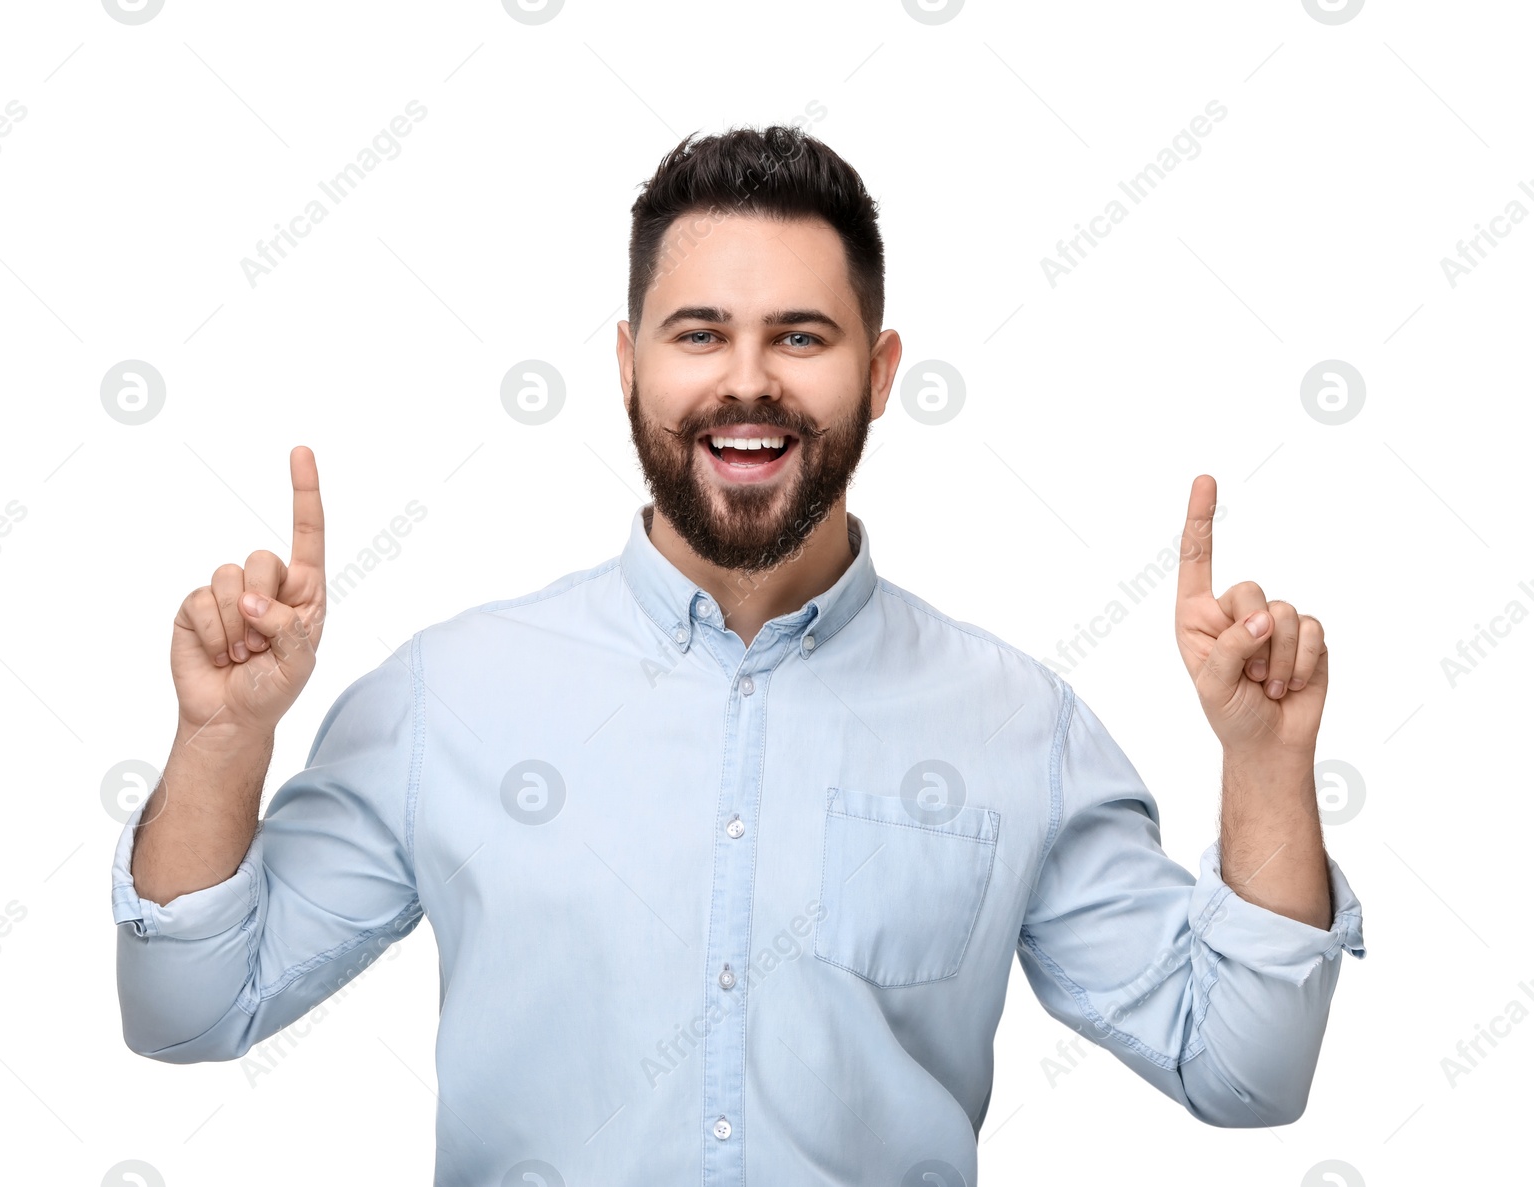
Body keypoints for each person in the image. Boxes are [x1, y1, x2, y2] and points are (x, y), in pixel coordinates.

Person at [111, 125, 1365, 1186]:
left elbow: (1242, 1073)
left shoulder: (1015, 725)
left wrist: (1265, 765)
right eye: (699, 333)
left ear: (878, 375)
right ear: (626, 364)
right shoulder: (450, 695)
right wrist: (224, 743)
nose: (747, 383)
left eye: (802, 337)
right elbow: (189, 1014)